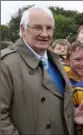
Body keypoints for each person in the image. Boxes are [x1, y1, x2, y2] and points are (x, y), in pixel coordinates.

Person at [1, 6, 74, 134]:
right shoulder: (5, 63)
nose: (45, 34)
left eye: (49, 28)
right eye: (38, 27)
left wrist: (73, 115)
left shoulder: (56, 62)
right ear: (23, 29)